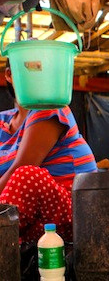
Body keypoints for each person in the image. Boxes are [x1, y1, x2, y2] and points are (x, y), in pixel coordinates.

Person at [0, 68, 97, 244]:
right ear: (9, 75)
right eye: (28, 67)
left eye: (43, 67)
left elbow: (20, 168)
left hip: (76, 215)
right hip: (31, 223)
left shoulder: (51, 108)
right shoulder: (3, 122)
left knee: (27, 176)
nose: (37, 73)